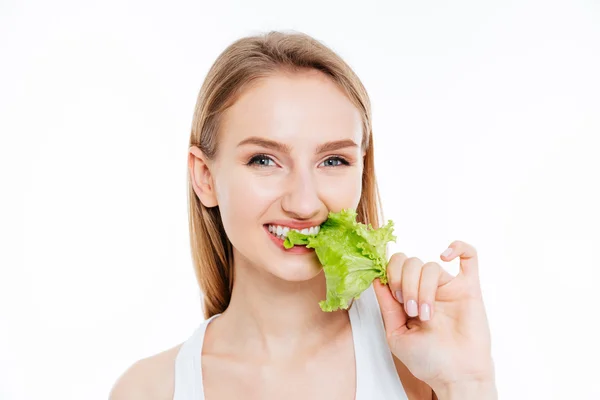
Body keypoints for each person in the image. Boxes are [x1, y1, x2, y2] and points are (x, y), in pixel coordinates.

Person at [109, 30, 497, 400]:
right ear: (205, 176)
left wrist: (468, 383)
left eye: (333, 160)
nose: (304, 203)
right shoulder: (149, 390)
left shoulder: (418, 367)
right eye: (264, 160)